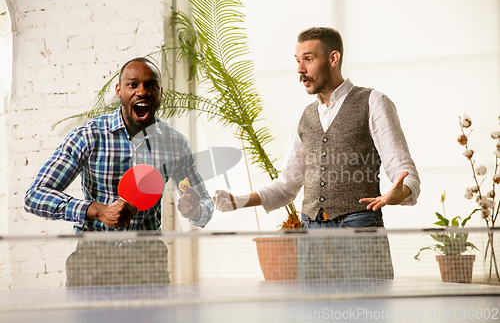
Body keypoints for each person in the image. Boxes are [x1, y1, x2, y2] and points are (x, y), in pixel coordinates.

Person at [213, 27, 420, 279]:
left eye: (308, 59)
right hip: (311, 235)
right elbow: (286, 187)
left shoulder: (373, 102)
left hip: (358, 232)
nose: (300, 69)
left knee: (368, 312)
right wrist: (238, 201)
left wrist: (399, 193)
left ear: (333, 59)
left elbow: (405, 173)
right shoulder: (306, 118)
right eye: (298, 61)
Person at [24, 57, 214, 285]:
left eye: (151, 85)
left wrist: (194, 209)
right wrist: (97, 210)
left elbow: (205, 205)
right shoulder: (88, 136)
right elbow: (35, 195)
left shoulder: (175, 143)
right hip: (93, 260)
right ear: (119, 90)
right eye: (133, 84)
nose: (142, 91)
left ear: (160, 92)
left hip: (148, 264)